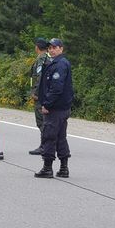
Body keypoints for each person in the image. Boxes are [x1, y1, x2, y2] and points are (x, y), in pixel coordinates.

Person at [34, 38, 73, 179]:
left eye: (55, 47)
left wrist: (47, 104)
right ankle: (64, 168)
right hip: (61, 107)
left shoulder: (60, 64)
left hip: (55, 108)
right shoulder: (54, 63)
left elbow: (56, 88)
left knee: (49, 136)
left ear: (61, 49)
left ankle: (47, 168)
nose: (51, 50)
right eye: (50, 48)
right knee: (61, 137)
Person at [28, 37, 50, 155]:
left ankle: (44, 146)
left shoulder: (42, 59)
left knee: (41, 121)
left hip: (41, 96)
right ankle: (48, 145)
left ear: (37, 47)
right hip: (46, 94)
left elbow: (39, 76)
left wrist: (36, 93)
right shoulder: (48, 58)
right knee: (46, 121)